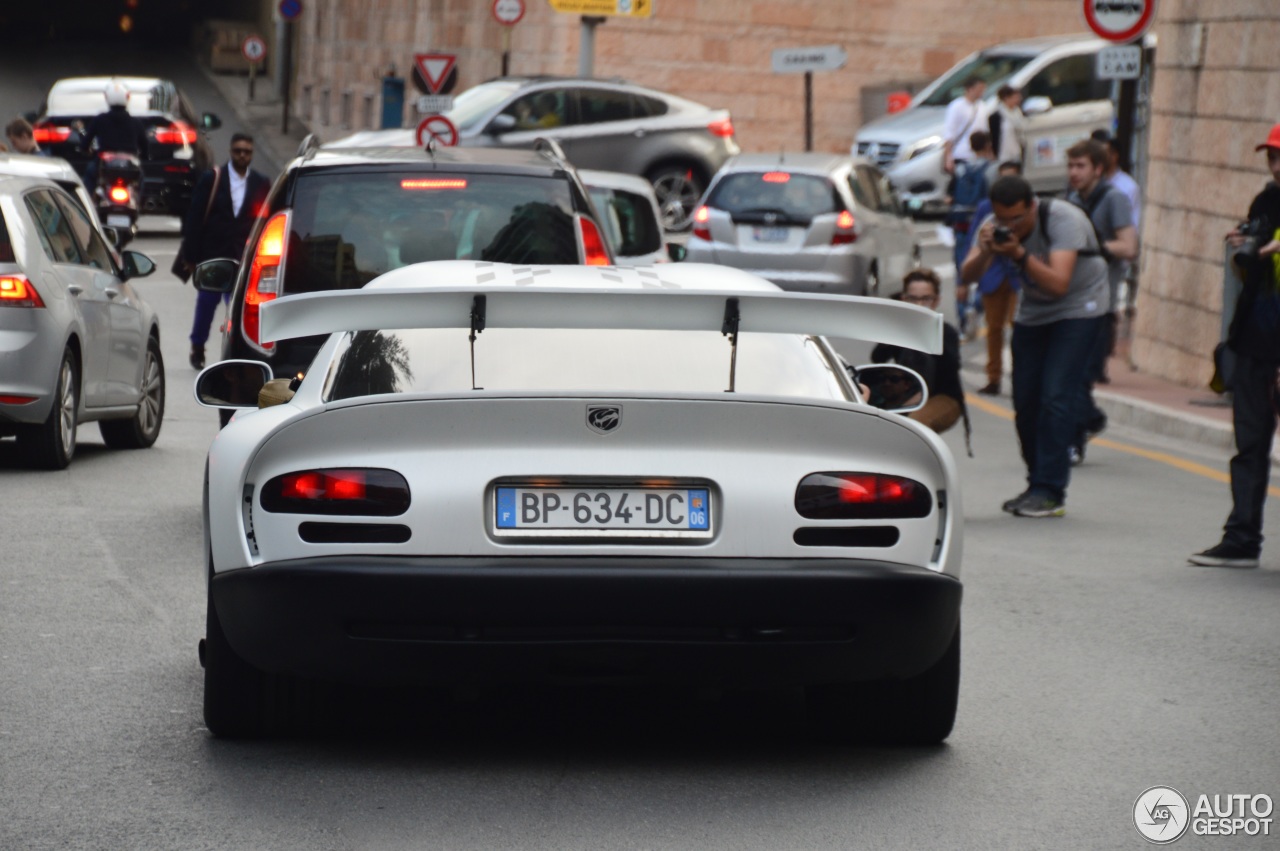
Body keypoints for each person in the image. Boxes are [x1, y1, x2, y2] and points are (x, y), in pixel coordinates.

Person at [961, 175, 1109, 518]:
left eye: (1016, 219)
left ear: (1031, 206)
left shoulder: (1063, 219)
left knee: (1056, 395)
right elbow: (967, 276)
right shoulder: (992, 225)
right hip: (1034, 310)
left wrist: (1018, 253)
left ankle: (1051, 489)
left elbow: (1059, 284)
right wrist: (985, 251)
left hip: (1080, 307)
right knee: (1025, 399)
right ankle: (1036, 482)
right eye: (1002, 219)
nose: (1009, 225)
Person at [1188, 124, 1280, 568]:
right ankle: (1242, 538)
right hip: (1254, 341)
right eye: (1272, 157)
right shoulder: (1266, 200)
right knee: (1249, 446)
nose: (1277, 166)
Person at [1064, 139, 1137, 463]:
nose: (1074, 173)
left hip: (1101, 303)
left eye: (1080, 166)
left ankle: (1075, 438)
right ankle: (1088, 421)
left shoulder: (1114, 198)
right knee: (1068, 374)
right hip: (1069, 301)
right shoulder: (1071, 200)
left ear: (1097, 168)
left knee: (1080, 375)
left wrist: (1094, 248)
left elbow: (1129, 246)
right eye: (1070, 166)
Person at [180, 133, 271, 370]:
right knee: (206, 305)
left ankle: (236, 352)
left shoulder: (261, 183)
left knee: (240, 309)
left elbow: (266, 220)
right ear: (231, 152)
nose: (243, 155)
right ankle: (197, 346)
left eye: (247, 151)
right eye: (238, 150)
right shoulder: (213, 178)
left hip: (244, 259)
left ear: (251, 154)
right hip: (214, 255)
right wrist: (191, 256)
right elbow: (195, 217)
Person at [871, 268, 968, 441]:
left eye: (926, 299)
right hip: (906, 393)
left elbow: (950, 369)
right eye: (913, 299)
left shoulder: (946, 332)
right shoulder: (900, 329)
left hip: (942, 397)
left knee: (917, 422)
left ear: (936, 300)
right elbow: (878, 357)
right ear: (904, 299)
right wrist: (896, 328)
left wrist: (929, 333)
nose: (919, 305)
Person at [961, 160, 1025, 395]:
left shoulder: (1026, 208)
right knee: (994, 329)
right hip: (993, 273)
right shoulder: (986, 208)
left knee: (1020, 329)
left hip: (1018, 275)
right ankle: (993, 377)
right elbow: (973, 241)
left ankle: (1021, 377)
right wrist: (963, 283)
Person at [947, 130, 999, 338]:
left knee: (962, 273)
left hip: (960, 225)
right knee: (985, 267)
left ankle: (963, 320)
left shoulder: (960, 169)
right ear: (988, 145)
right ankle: (976, 307)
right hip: (982, 225)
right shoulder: (992, 169)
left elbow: (950, 196)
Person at [78, 80, 149, 188]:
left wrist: (86, 149)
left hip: (103, 167)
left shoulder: (100, 120)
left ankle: (87, 204)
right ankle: (139, 202)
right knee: (141, 178)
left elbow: (85, 145)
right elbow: (145, 148)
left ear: (107, 98)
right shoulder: (136, 123)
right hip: (129, 168)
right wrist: (144, 156)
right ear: (127, 97)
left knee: (89, 174)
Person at [941, 76, 987, 176]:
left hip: (978, 155)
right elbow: (950, 132)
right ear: (970, 89)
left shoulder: (982, 106)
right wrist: (948, 157)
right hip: (961, 154)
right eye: (979, 89)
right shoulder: (956, 106)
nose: (982, 92)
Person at [987, 85, 1024, 164]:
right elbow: (993, 137)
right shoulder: (996, 116)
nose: (1018, 100)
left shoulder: (1018, 113)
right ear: (1006, 98)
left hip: (1018, 153)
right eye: (1015, 97)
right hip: (1004, 155)